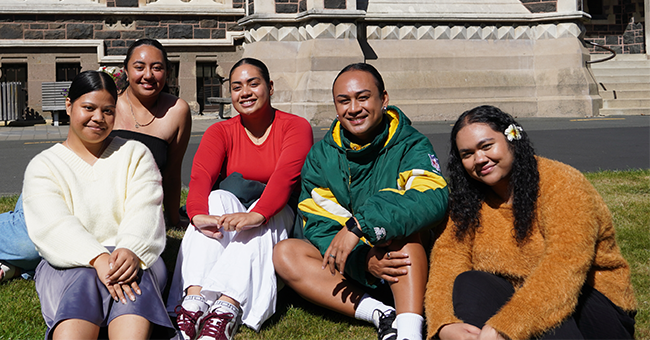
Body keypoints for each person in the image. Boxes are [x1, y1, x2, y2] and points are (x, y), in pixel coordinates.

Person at [425, 105, 637, 340]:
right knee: (469, 282)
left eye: (487, 146)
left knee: (553, 318)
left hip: (589, 305)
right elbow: (447, 262)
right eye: (467, 154)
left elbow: (564, 267)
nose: (479, 159)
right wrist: (444, 323)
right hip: (519, 297)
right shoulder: (467, 201)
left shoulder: (563, 184)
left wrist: (507, 325)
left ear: (511, 139)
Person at [272, 63, 449, 340]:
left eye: (363, 97)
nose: (353, 109)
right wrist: (363, 261)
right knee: (285, 253)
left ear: (384, 99)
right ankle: (381, 314)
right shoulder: (321, 155)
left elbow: (431, 198)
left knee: (404, 229)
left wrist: (360, 226)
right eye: (344, 101)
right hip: (356, 264)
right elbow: (318, 221)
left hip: (403, 259)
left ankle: (409, 332)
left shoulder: (411, 144)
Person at [166, 57, 313, 340]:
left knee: (259, 211)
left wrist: (258, 214)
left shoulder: (295, 126)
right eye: (236, 87)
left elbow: (285, 180)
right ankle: (194, 303)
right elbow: (200, 178)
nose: (244, 92)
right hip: (234, 215)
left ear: (269, 87)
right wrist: (197, 215)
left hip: (279, 215)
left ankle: (226, 310)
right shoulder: (220, 131)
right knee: (218, 197)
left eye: (253, 83)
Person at [22, 70, 174, 339]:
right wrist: (98, 259)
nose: (98, 119)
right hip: (68, 264)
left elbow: (146, 209)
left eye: (108, 111)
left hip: (131, 257)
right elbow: (53, 225)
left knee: (133, 276)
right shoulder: (44, 166)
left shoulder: (134, 154)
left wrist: (130, 250)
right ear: (69, 106)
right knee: (82, 279)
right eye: (88, 108)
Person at [112, 38, 191, 229]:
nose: (148, 75)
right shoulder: (108, 105)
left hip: (143, 215)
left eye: (157, 68)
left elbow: (172, 174)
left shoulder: (177, 110)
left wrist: (173, 221)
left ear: (167, 72)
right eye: (139, 67)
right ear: (126, 70)